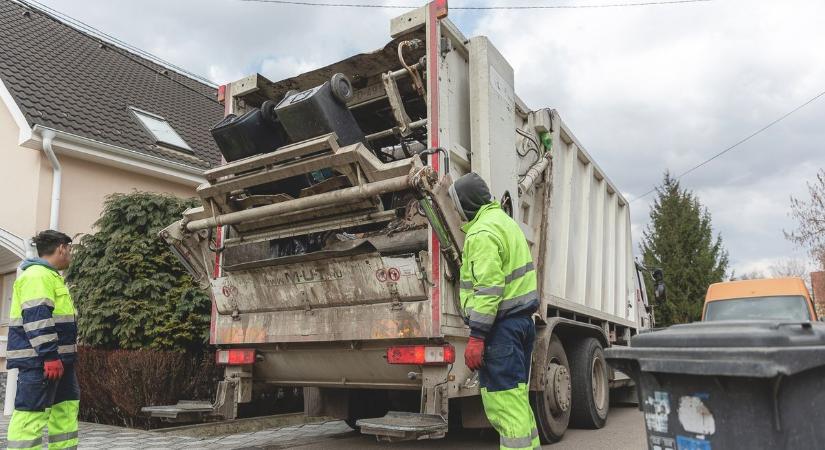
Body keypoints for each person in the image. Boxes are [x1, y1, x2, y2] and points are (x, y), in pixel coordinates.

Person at [449, 173, 541, 450]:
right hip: (520, 324)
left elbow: (489, 289)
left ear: (466, 204)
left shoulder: (481, 233)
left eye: (456, 205)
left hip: (501, 330)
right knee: (516, 401)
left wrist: (477, 336)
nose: (456, 212)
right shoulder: (506, 223)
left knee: (504, 405)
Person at [6, 230, 79, 450]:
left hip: (60, 361)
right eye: (70, 250)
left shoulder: (49, 276)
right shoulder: (37, 275)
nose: (70, 255)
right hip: (42, 362)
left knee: (65, 412)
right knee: (30, 417)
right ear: (62, 248)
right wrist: (49, 356)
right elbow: (38, 318)